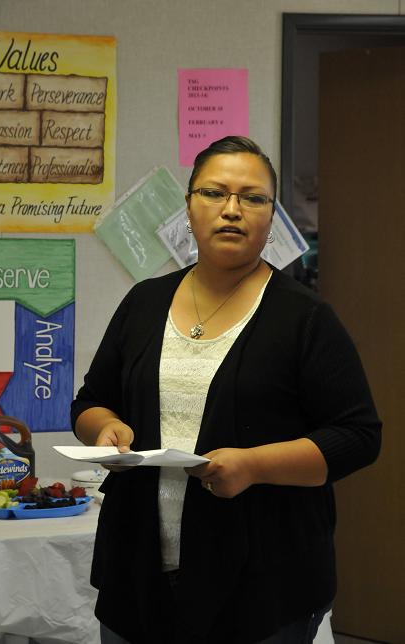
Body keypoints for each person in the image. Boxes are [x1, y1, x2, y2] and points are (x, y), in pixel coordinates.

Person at [71, 136, 381, 644]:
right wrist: (104, 427)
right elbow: (90, 401)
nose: (231, 210)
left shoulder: (305, 318)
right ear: (189, 206)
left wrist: (254, 466)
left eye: (252, 197)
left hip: (263, 584)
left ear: (271, 216)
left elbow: (359, 436)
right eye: (214, 193)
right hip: (139, 574)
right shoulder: (144, 302)